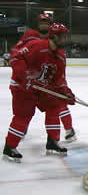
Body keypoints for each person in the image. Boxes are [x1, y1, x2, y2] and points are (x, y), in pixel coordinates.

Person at [3, 23, 75, 163]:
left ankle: (52, 141)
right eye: (63, 36)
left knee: (54, 106)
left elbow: (59, 79)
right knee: (24, 115)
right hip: (22, 87)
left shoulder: (60, 55)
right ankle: (10, 147)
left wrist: (66, 93)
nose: (65, 40)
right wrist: (25, 78)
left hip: (40, 88)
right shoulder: (36, 45)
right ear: (54, 36)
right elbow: (16, 58)